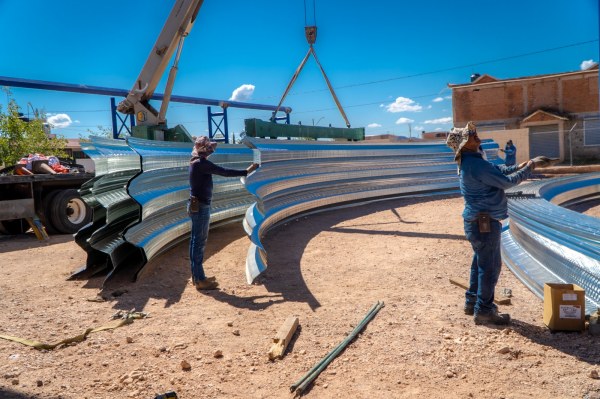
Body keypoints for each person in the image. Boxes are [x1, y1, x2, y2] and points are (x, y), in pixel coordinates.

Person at [446, 122, 535, 325]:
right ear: (464, 144)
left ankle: (472, 303)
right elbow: (506, 182)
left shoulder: (472, 160)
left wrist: (516, 166)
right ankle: (484, 310)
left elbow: (497, 169)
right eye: (471, 135)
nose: (476, 136)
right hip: (483, 223)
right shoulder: (475, 164)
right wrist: (528, 169)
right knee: (491, 266)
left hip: (476, 221)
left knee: (480, 263)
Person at [188, 136, 259, 290]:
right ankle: (199, 280)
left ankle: (197, 276)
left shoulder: (196, 161)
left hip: (198, 205)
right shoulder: (201, 163)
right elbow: (223, 171)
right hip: (200, 206)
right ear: (203, 149)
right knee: (198, 242)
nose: (210, 151)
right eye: (209, 149)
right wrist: (246, 171)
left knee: (197, 241)